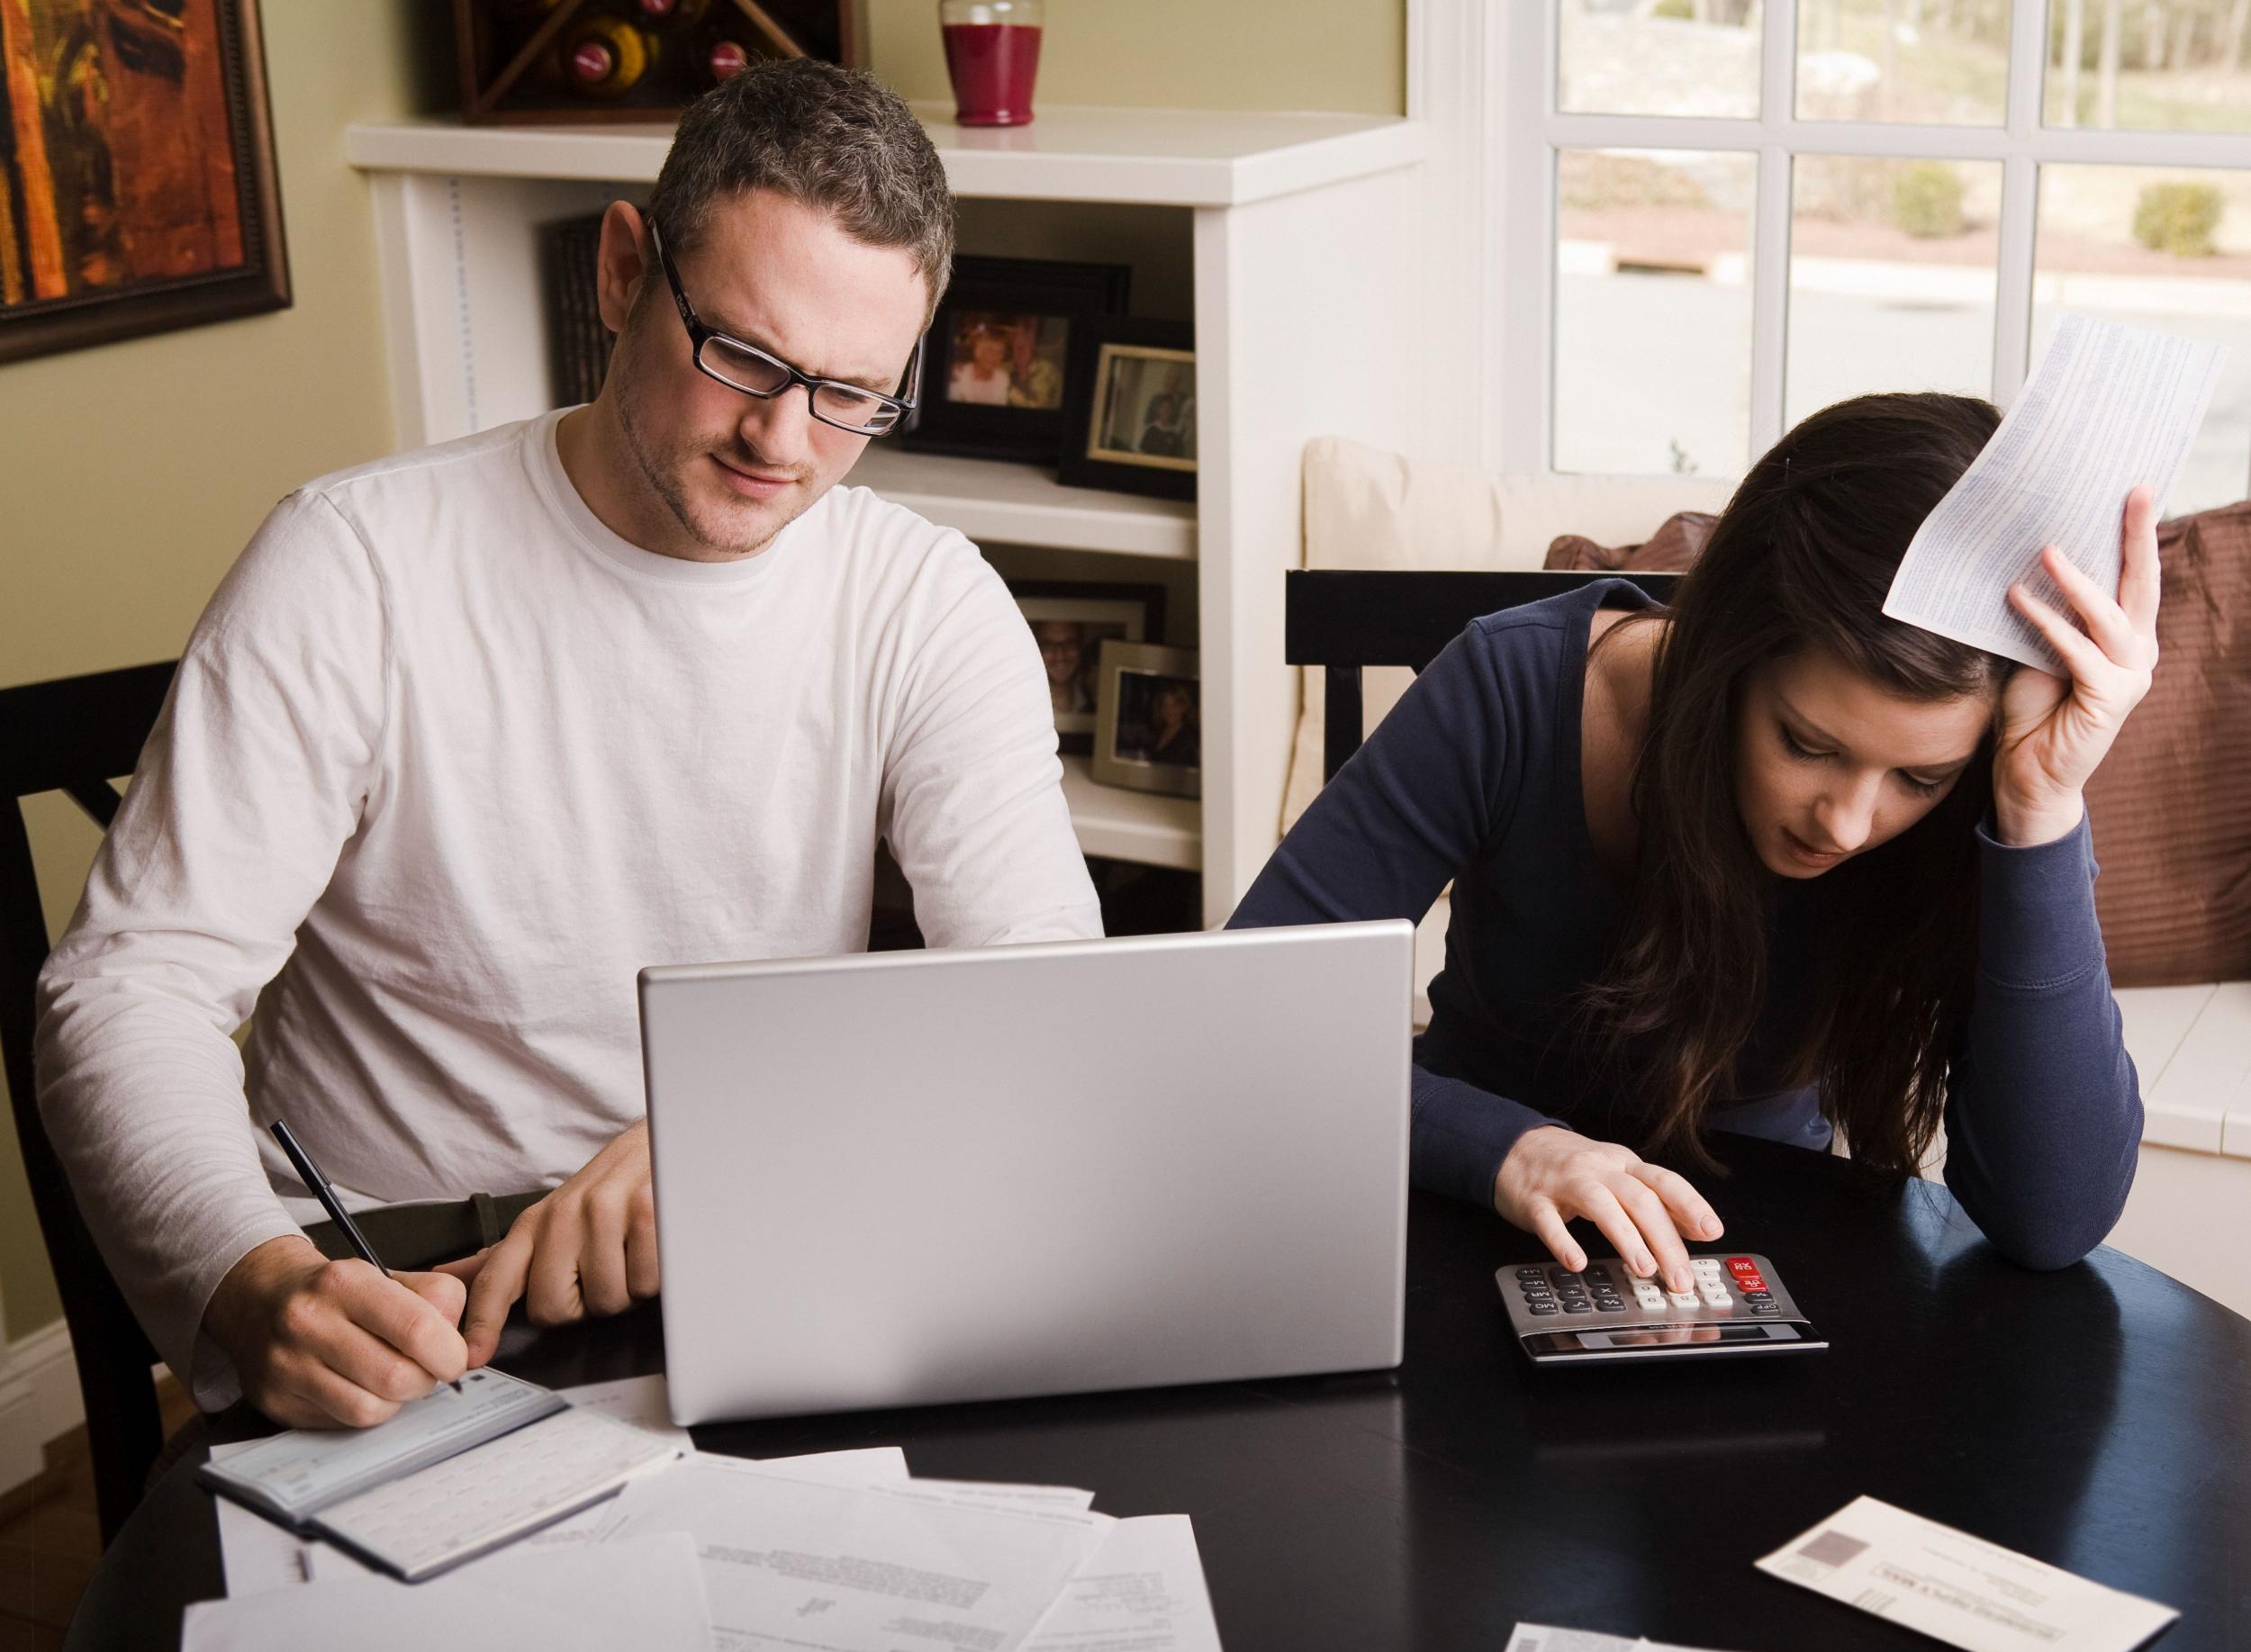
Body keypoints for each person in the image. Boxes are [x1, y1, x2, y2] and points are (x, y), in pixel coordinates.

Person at [34, 60, 1102, 1430]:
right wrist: (251, 1282)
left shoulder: (925, 598)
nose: (785, 438)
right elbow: (129, 986)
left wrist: (743, 1144)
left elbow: (1039, 1009)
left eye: (853, 395)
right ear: (619, 273)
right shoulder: (354, 562)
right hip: (396, 1280)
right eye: (749, 358)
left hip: (756, 1230)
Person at [1230, 393, 2151, 1290]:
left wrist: (2041, 810)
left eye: (1916, 778)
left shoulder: (1990, 777)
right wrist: (1510, 1150)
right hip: (1461, 1214)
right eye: (1805, 743)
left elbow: (2052, 1222)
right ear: (1725, 657)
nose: (1845, 821)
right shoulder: (1510, 689)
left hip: (1758, 1245)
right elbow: (1250, 1027)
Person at [948, 323, 1013, 404]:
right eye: (990, 350)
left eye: (1000, 352)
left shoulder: (1003, 378)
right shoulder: (959, 373)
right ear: (978, 351)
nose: (995, 357)